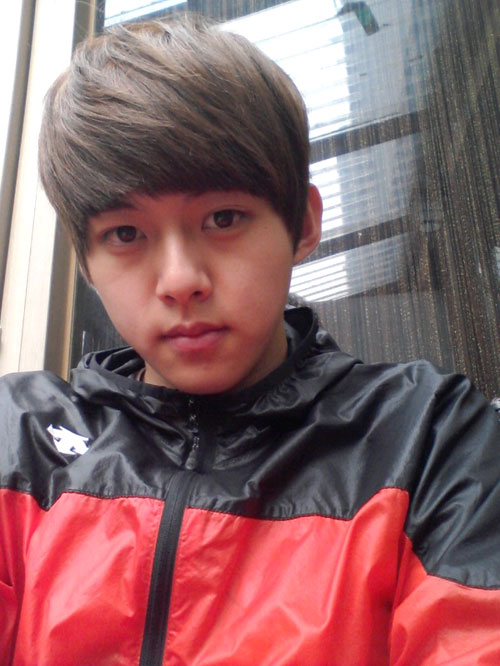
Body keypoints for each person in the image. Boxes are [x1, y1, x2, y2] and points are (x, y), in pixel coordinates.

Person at [1, 15, 499, 666]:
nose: (180, 280)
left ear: (303, 224)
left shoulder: (428, 439)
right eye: (125, 234)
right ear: (86, 263)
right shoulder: (20, 438)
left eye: (223, 218)